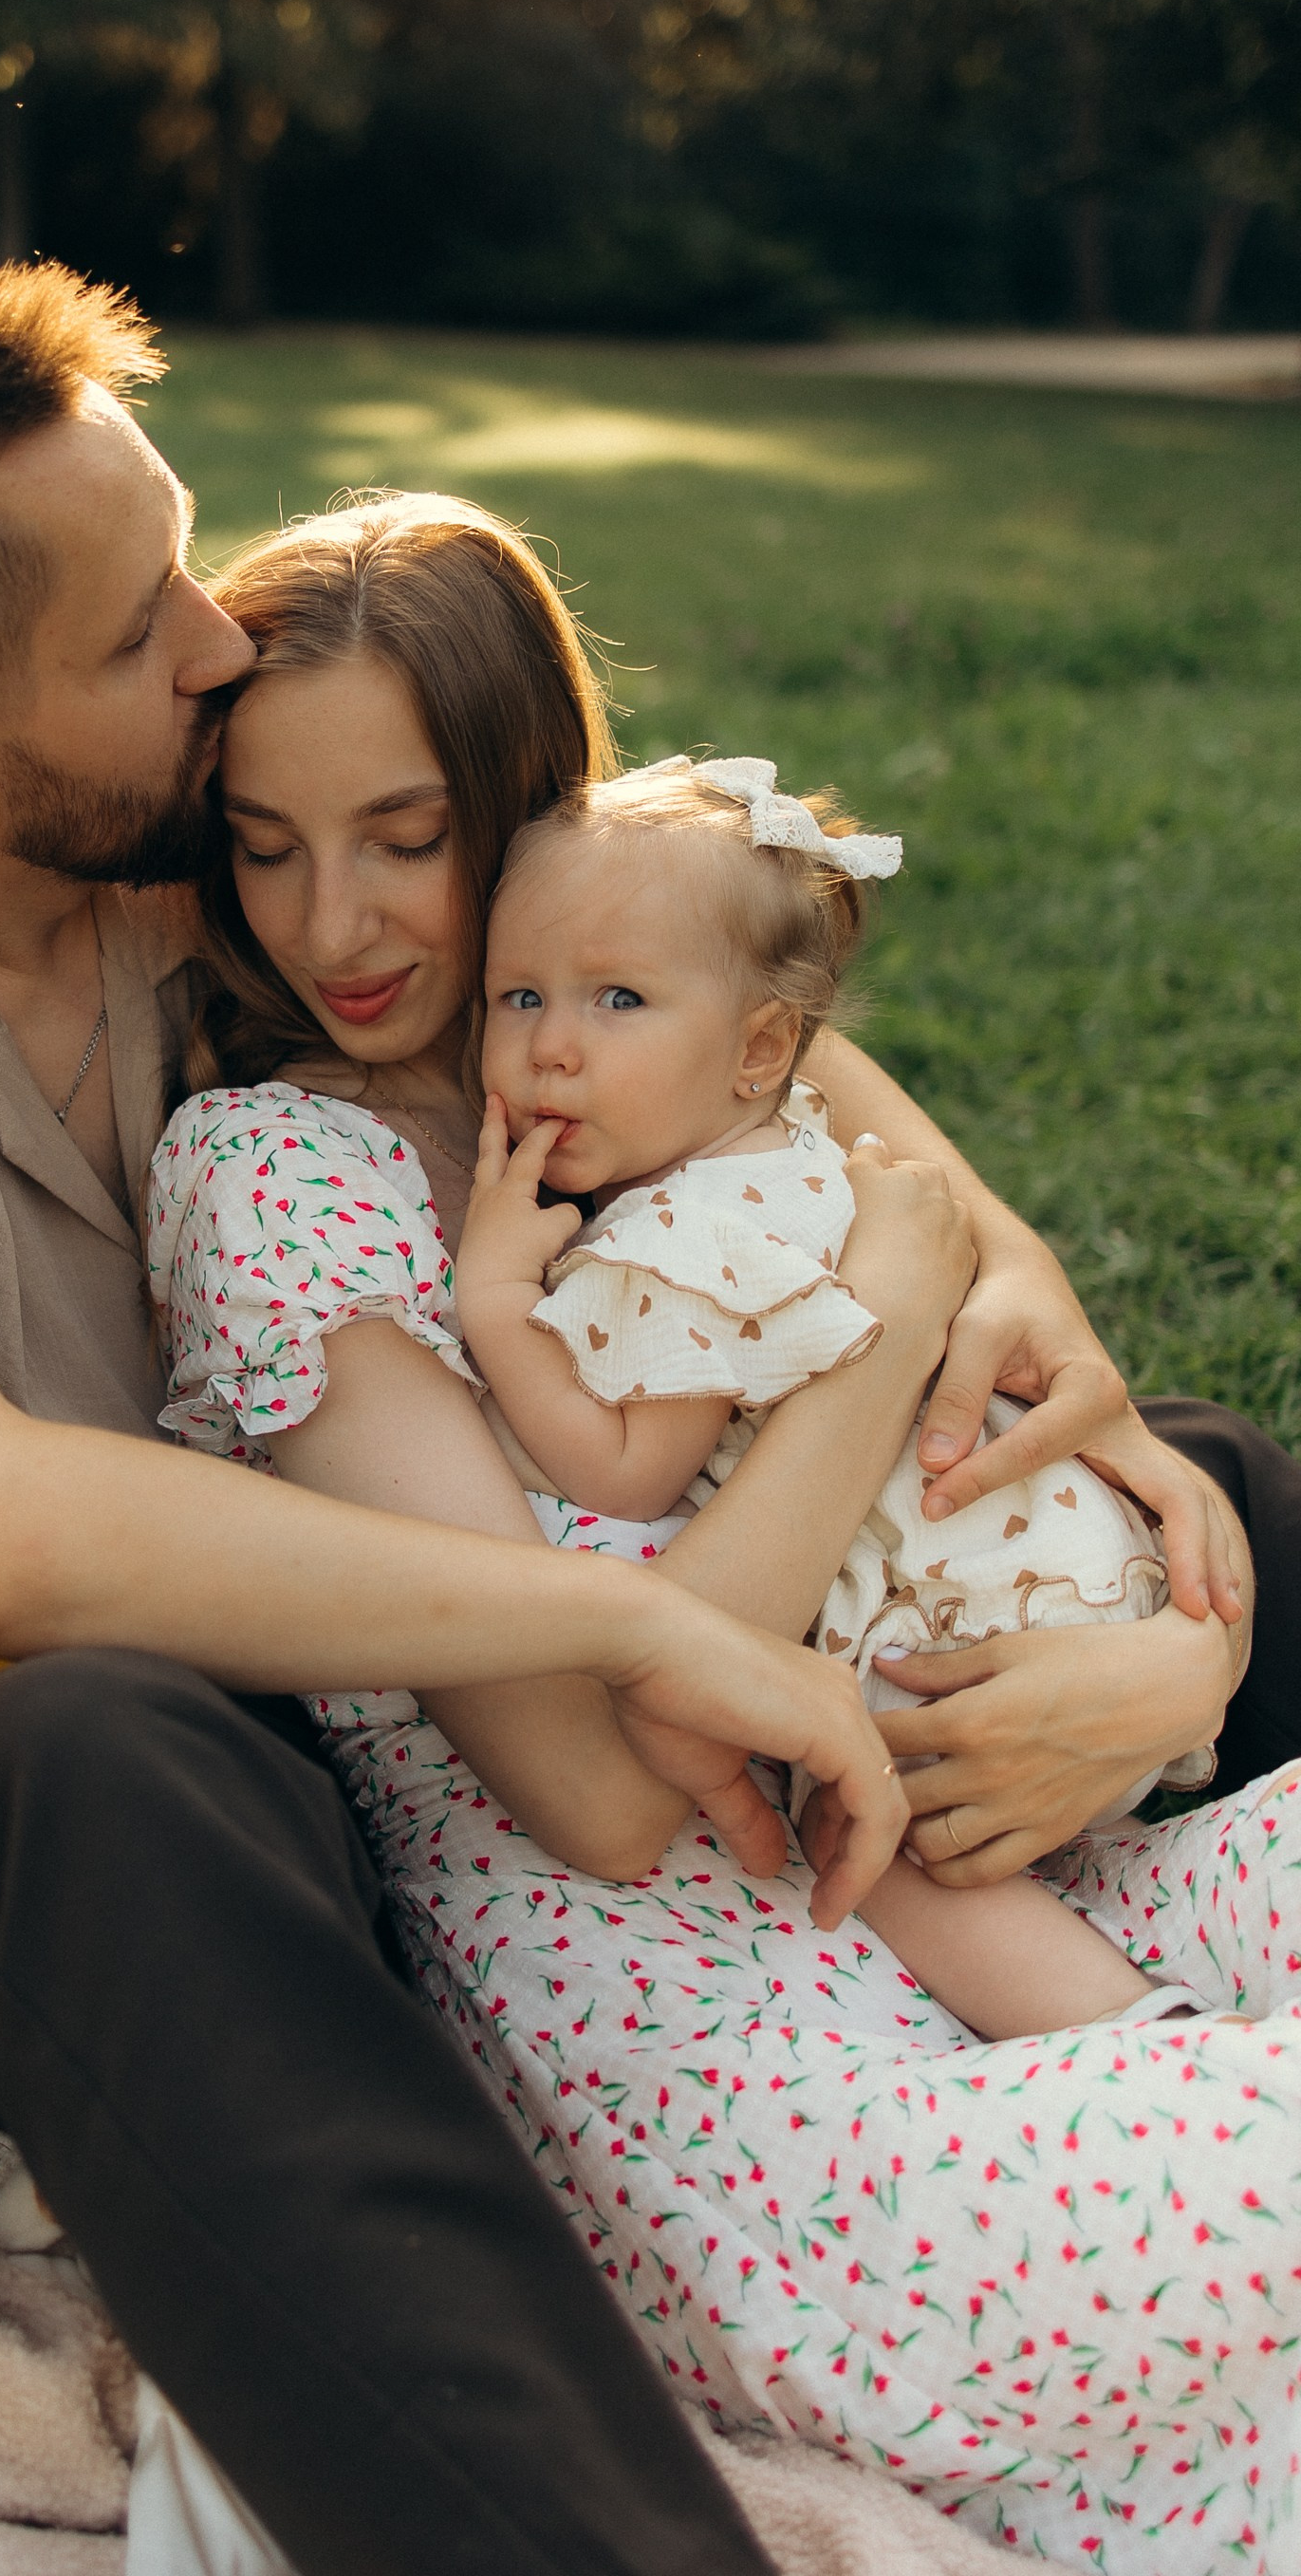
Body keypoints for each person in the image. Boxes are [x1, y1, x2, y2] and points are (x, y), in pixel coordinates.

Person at [0, 266, 1288, 2576]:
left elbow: (686, 978)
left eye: (182, 557)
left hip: (622, 1631)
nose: (208, 639)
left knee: (1221, 1475)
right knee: (76, 1755)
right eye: (135, 623)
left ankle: (1111, 1798)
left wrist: (1008, 1288)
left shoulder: (229, 830)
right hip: (223, 1785)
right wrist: (652, 1636)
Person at [148, 495, 1301, 2567]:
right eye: (264, 841)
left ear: (532, 817)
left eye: (408, 837)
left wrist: (1179, 1657)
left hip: (990, 1883)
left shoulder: (709, 1074)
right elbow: (596, 1781)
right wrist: (882, 1323)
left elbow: (1077, 1432)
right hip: (736, 2088)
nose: (335, 925)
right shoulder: (281, 1180)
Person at [454, 752, 1212, 2044]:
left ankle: (1132, 2037)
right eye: (519, 995)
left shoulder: (683, 1238)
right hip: (1076, 1581)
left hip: (954, 1636)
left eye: (618, 999)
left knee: (854, 1825)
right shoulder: (797, 1147)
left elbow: (627, 1470)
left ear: (757, 1046)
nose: (551, 1047)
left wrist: (490, 1313)